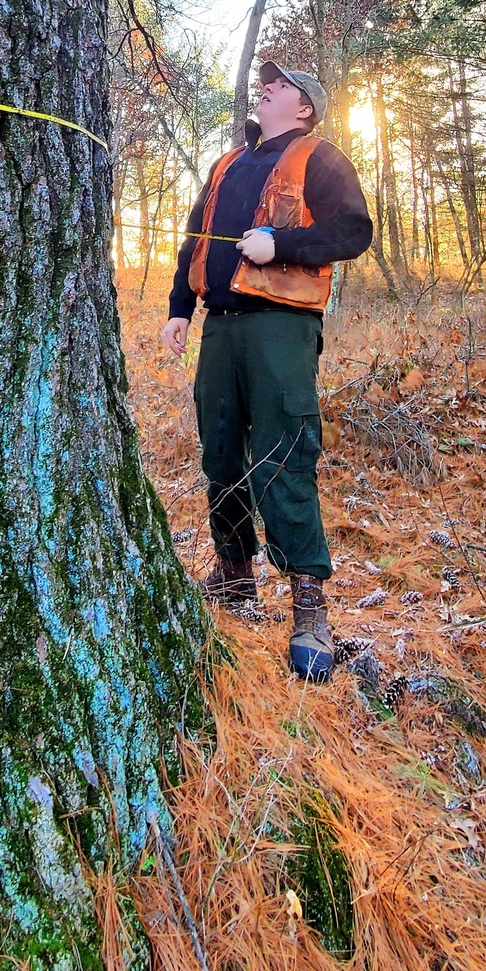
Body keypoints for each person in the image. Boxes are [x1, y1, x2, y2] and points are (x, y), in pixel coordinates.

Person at [161, 61, 373, 681]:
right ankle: (234, 578)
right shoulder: (227, 163)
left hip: (281, 328)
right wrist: (181, 308)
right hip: (220, 329)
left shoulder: (320, 157)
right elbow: (194, 236)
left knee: (283, 454)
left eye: (279, 85)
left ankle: (310, 603)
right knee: (220, 454)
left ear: (304, 106)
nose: (266, 88)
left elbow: (352, 230)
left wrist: (280, 246)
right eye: (265, 83)